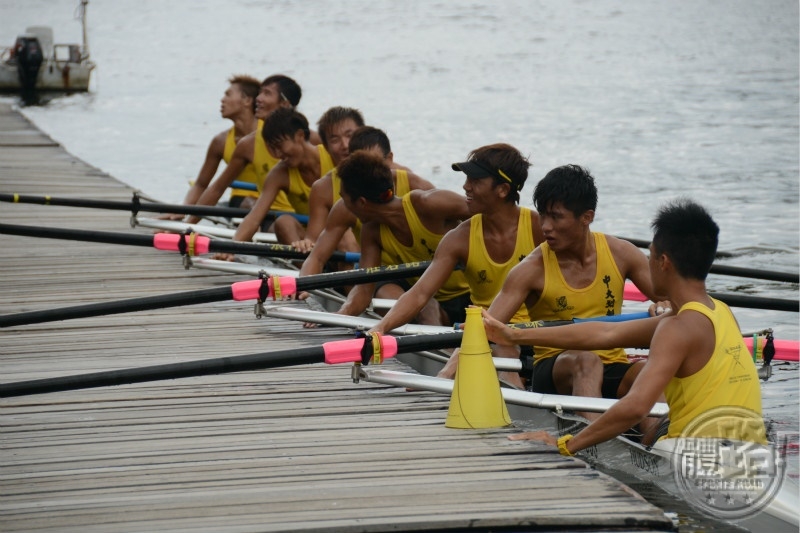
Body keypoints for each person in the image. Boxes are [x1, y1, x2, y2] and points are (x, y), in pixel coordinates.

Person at [481, 199, 767, 451]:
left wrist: (564, 445)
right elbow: (606, 332)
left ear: (663, 262)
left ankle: (623, 448)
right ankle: (646, 442)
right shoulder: (722, 311)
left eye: (650, 255)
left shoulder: (676, 328)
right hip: (753, 448)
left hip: (694, 451)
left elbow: (635, 407)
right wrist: (514, 335)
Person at [484, 165, 662, 417]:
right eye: (542, 215)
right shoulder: (531, 269)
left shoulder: (621, 253)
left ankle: (660, 443)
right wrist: (449, 371)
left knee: (651, 371)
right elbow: (487, 327)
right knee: (586, 361)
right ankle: (593, 441)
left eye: (556, 217)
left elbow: (673, 300)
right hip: (556, 368)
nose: (545, 227)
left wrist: (664, 305)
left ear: (586, 217)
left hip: (613, 364)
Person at [368, 143, 544, 388]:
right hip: (486, 335)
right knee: (503, 348)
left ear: (503, 189)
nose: (465, 186)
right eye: (466, 179)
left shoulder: (539, 228)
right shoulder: (459, 238)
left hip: (539, 331)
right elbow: (420, 293)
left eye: (475, 180)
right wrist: (381, 327)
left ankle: (450, 377)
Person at [322, 151, 472, 327]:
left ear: (362, 203)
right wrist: (341, 314)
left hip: (473, 294)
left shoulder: (428, 203)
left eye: (344, 198)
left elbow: (493, 213)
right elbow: (364, 288)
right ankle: (437, 347)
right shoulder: (371, 232)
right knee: (426, 304)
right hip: (430, 300)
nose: (342, 205)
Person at [297, 126, 435, 277]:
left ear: (389, 159)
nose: (368, 175)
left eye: (375, 164)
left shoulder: (418, 188)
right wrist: (301, 285)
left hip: (426, 274)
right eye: (362, 167)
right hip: (381, 276)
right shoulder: (345, 207)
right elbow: (317, 257)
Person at [185, 74, 317, 224]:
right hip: (272, 218)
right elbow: (217, 188)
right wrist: (187, 225)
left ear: (285, 104)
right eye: (260, 93)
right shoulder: (248, 144)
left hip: (310, 218)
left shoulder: (311, 138)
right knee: (282, 224)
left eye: (266, 93)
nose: (258, 98)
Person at [220, 107, 336, 246]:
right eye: (272, 149)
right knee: (283, 222)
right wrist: (231, 248)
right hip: (309, 240)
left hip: (342, 234)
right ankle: (307, 265)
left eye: (280, 146)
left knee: (342, 233)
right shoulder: (279, 174)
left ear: (299, 136)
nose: (277, 155)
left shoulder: (334, 157)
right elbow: (254, 217)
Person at [178, 74, 261, 210]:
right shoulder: (220, 142)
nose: (222, 100)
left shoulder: (270, 133)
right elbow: (201, 184)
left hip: (272, 200)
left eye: (228, 95)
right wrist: (184, 210)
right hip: (241, 201)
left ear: (247, 100)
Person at [290, 107, 366, 253]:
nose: (345, 145)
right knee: (344, 234)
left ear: (363, 134)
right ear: (326, 147)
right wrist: (305, 244)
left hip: (392, 260)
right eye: (335, 140)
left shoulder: (394, 175)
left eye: (349, 135)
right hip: (356, 259)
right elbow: (312, 239)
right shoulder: (322, 188)